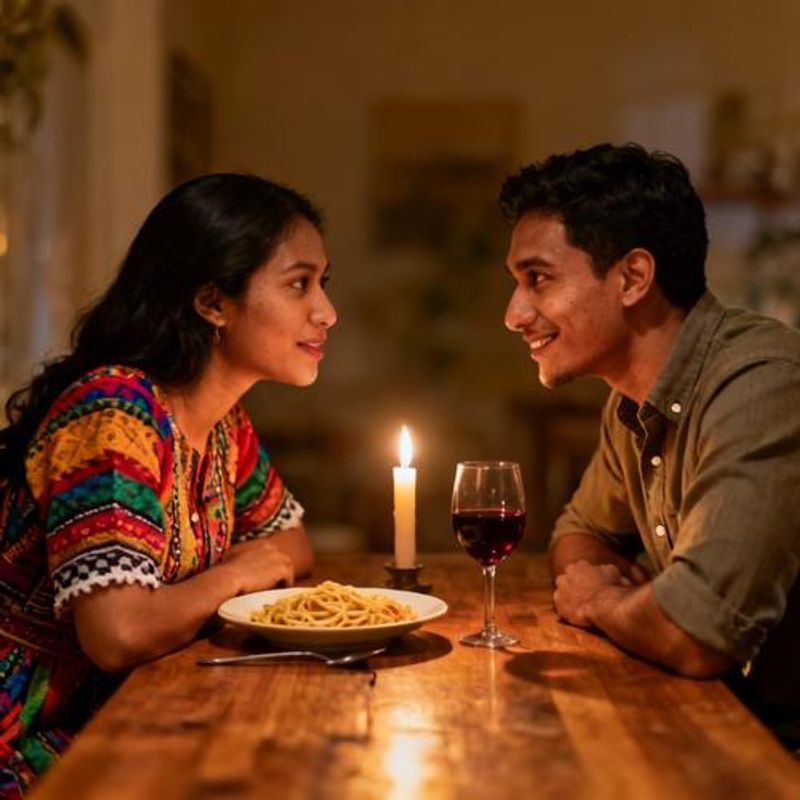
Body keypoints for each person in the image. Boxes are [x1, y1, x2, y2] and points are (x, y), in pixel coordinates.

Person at [0, 173, 336, 793]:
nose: (326, 313)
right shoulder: (113, 412)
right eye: (299, 284)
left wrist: (178, 601)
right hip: (31, 743)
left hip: (128, 712)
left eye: (323, 283)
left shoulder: (222, 422)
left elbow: (291, 545)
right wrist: (232, 576)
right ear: (212, 302)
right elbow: (120, 634)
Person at [499, 143, 800, 749]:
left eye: (538, 279)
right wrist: (642, 606)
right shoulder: (632, 397)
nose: (514, 314)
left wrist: (602, 601)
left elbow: (695, 633)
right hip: (716, 724)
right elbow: (578, 536)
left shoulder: (761, 385)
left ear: (633, 277)